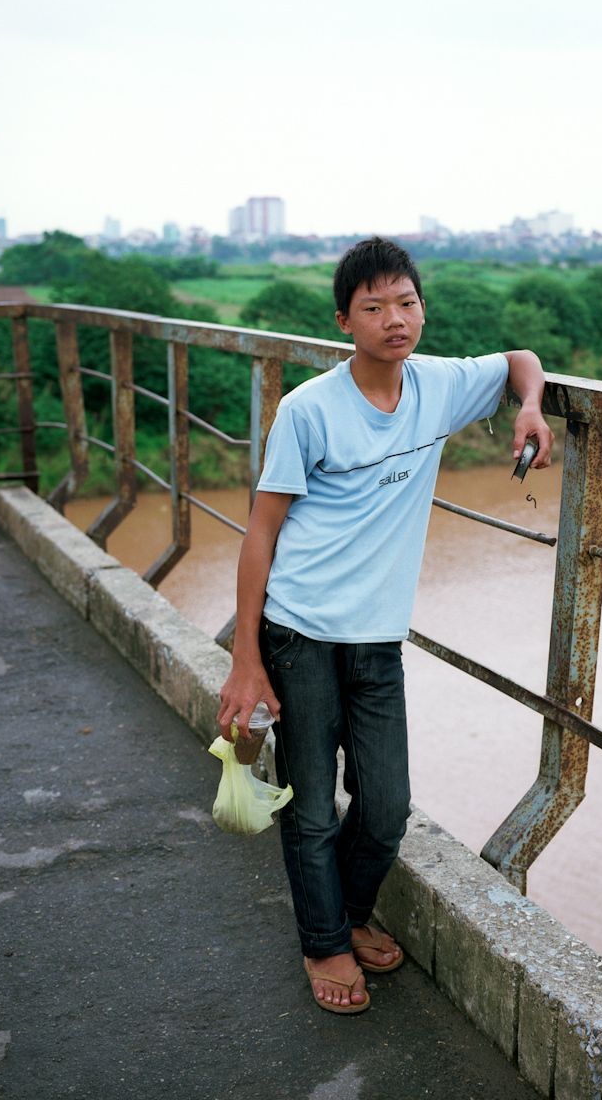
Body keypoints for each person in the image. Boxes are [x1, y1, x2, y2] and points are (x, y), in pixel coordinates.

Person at [216, 236, 553, 1014]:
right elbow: (261, 533)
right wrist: (246, 657)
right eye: (374, 307)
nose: (394, 320)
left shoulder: (437, 387)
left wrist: (530, 405)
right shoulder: (309, 410)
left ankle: (345, 914)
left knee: (386, 807)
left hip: (376, 638)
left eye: (406, 302)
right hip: (297, 631)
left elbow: (518, 360)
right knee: (307, 802)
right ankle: (325, 943)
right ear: (345, 319)